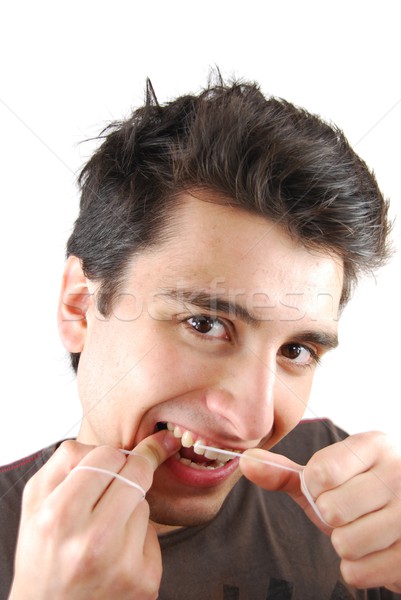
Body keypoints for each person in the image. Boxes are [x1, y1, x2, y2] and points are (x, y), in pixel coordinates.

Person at [1, 74, 400, 600]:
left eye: (296, 350)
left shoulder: (346, 494)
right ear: (80, 306)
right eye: (205, 324)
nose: (254, 421)